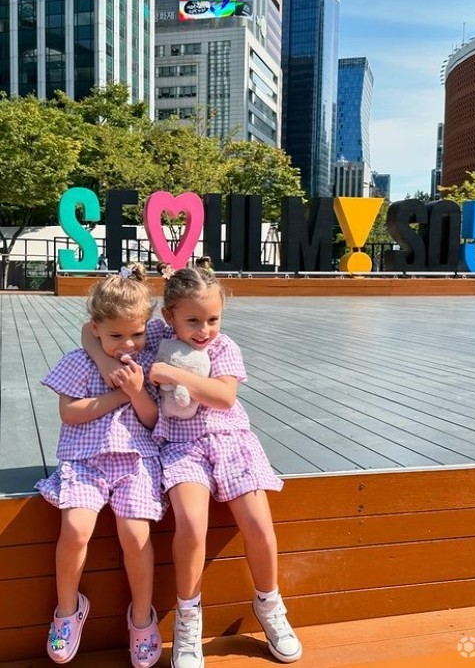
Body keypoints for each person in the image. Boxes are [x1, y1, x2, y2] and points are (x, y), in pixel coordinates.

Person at [83, 268, 302, 668]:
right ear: (169, 317)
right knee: (191, 522)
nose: (204, 330)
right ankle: (188, 617)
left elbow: (224, 397)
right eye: (194, 320)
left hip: (230, 441)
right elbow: (89, 330)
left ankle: (269, 604)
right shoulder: (154, 339)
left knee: (258, 523)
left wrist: (173, 374)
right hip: (181, 446)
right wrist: (103, 363)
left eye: (213, 319)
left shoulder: (224, 347)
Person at [36, 265, 164, 668]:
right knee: (75, 528)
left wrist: (137, 391)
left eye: (136, 334)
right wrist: (120, 395)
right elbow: (70, 414)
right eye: (115, 336)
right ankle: (67, 609)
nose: (127, 344)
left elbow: (152, 421)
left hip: (135, 460)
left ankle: (141, 616)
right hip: (86, 460)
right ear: (96, 330)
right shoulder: (80, 361)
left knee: (135, 533)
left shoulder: (149, 361)